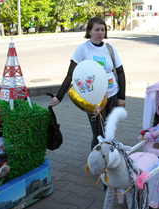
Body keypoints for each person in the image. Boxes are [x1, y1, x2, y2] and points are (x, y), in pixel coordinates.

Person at [48, 17, 126, 149]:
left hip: (112, 95)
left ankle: (111, 161)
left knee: (110, 132)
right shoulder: (83, 49)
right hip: (94, 99)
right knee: (99, 135)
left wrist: (122, 97)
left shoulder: (109, 48)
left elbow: (120, 72)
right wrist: (59, 97)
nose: (100, 32)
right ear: (89, 31)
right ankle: (98, 164)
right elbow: (71, 74)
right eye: (97, 30)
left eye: (103, 30)